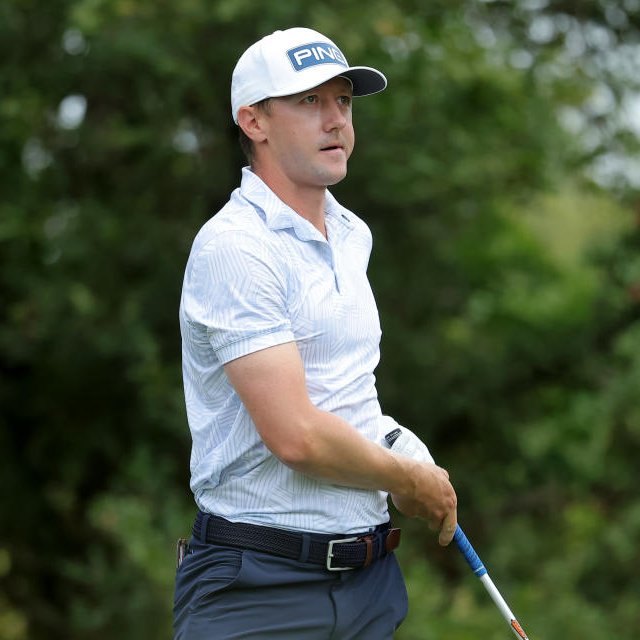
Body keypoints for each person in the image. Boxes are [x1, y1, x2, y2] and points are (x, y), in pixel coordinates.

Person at [174, 27, 458, 639]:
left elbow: (348, 398)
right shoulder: (234, 247)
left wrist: (407, 452)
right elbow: (297, 436)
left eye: (344, 102)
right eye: (309, 102)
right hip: (258, 586)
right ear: (254, 121)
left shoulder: (351, 236)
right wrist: (407, 481)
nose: (336, 121)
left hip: (370, 583)